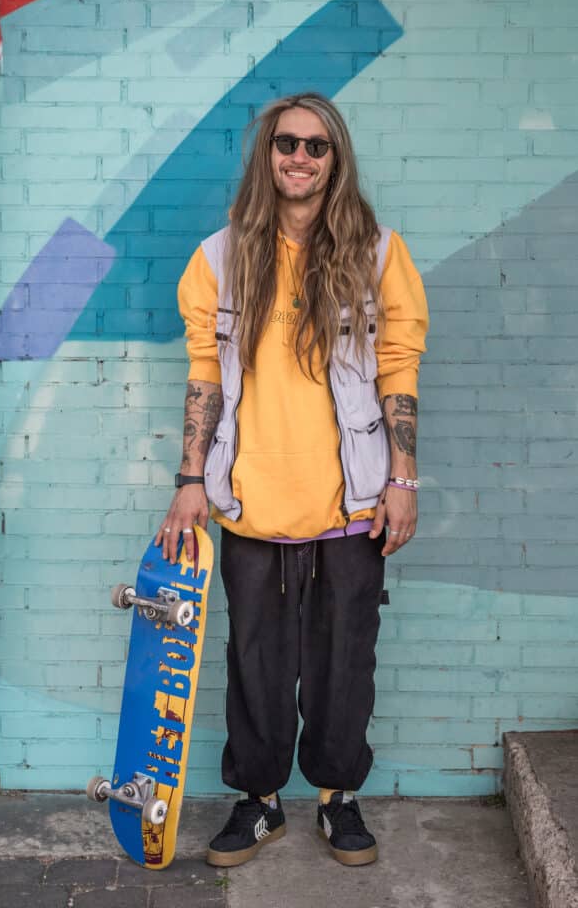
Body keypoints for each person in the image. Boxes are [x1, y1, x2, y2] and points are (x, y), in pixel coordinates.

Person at [156, 92, 429, 867]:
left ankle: (337, 799)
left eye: (316, 147)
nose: (299, 158)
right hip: (250, 502)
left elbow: (397, 368)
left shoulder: (377, 253)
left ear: (334, 160)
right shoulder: (218, 258)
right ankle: (260, 802)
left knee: (345, 664)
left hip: (351, 505)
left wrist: (403, 479)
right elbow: (203, 373)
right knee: (257, 665)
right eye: (286, 144)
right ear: (267, 155)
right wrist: (189, 476)